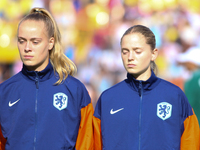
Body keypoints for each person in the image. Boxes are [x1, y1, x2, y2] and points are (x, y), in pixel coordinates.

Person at [93, 25, 199, 150]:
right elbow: (95, 144)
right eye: (125, 51)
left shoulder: (174, 96)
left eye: (137, 51)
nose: (130, 57)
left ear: (153, 54)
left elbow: (191, 142)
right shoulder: (108, 98)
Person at [0, 7, 93, 150]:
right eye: (22, 41)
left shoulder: (75, 90)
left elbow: (87, 144)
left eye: (35, 42)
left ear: (50, 42)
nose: (27, 48)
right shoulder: (5, 92)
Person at [177, 46, 200, 126]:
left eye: (187, 62)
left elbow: (188, 105)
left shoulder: (192, 80)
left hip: (196, 126)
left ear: (193, 63)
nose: (185, 65)